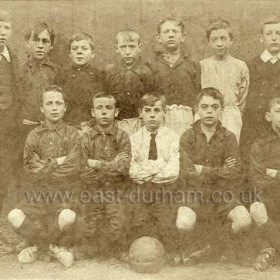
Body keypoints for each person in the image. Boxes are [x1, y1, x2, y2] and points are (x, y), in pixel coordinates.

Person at [7, 86, 81, 268]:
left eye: (58, 103)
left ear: (65, 107)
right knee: (14, 215)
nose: (54, 108)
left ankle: (38, 247)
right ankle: (52, 248)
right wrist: (58, 161)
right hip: (39, 193)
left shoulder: (73, 134)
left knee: (68, 216)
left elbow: (73, 166)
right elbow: (30, 168)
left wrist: (45, 165)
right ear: (42, 108)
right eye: (49, 103)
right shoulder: (34, 135)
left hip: (64, 192)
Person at [178, 87, 252, 265]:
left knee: (244, 220)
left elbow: (234, 173)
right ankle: (207, 246)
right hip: (195, 194)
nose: (209, 111)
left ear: (221, 110)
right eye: (204, 107)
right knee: (184, 222)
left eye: (214, 107)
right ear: (197, 109)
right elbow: (187, 173)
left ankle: (213, 246)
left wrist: (202, 169)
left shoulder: (229, 137)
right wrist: (220, 170)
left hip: (223, 195)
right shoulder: (187, 137)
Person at [80, 92, 131, 260]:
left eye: (108, 108)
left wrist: (97, 164)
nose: (104, 112)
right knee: (88, 224)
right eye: (99, 108)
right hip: (91, 188)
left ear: (116, 112)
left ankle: (110, 248)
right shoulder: (86, 137)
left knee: (118, 221)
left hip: (115, 189)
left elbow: (123, 168)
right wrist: (111, 164)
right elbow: (83, 168)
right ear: (92, 112)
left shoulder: (122, 136)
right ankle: (95, 248)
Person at [129, 93, 180, 257]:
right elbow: (131, 169)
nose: (152, 115)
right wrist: (158, 167)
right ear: (140, 113)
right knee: (139, 220)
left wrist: (146, 170)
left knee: (165, 221)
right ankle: (142, 253)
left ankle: (163, 253)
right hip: (141, 190)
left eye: (157, 110)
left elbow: (173, 171)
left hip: (165, 190)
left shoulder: (172, 137)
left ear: (165, 112)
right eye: (147, 110)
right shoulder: (134, 139)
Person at [200, 19, 249, 142]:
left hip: (231, 115)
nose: (219, 44)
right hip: (207, 114)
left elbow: (243, 96)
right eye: (214, 39)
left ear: (231, 40)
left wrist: (234, 113)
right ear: (208, 42)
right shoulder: (202, 65)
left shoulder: (240, 65)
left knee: (229, 151)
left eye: (223, 38)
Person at [148, 17, 200, 135]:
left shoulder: (192, 65)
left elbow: (198, 93)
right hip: (161, 117)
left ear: (183, 37)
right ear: (158, 37)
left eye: (175, 31)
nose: (170, 35)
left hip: (186, 118)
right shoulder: (152, 65)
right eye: (166, 32)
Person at [240, 15, 280, 169]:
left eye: (278, 33)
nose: (274, 38)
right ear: (261, 38)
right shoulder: (249, 66)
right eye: (269, 34)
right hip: (254, 127)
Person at [250, 97, 280, 271]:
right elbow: (257, 177)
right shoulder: (260, 144)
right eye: (279, 111)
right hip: (272, 198)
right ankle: (270, 247)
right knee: (256, 208)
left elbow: (266, 174)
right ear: (268, 116)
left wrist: (274, 172)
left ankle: (271, 248)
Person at [19, 22, 60, 139]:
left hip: (52, 130)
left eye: (45, 41)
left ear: (51, 45)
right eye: (36, 40)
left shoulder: (57, 71)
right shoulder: (18, 71)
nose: (40, 45)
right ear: (27, 43)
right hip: (24, 130)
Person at [55, 32, 104, 130]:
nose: (79, 52)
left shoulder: (99, 76)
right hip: (66, 127)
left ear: (93, 54)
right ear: (69, 54)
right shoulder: (62, 75)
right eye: (75, 48)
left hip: (92, 128)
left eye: (84, 48)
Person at [105, 29, 154, 121]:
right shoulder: (109, 71)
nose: (127, 52)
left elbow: (150, 100)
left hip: (139, 120)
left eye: (132, 47)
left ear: (139, 47)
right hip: (115, 121)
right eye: (123, 47)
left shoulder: (146, 72)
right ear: (116, 48)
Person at [0, 9, 21, 214]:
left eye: (6, 27)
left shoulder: (11, 57)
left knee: (5, 169)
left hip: (7, 123)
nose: (2, 32)